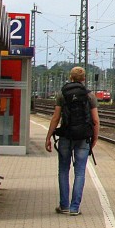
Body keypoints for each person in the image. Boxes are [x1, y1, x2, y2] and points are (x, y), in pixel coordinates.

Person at [45, 67, 99, 216]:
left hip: (66, 136)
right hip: (83, 137)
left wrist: (48, 137)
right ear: (84, 79)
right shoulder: (90, 96)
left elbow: (56, 118)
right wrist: (95, 138)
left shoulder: (62, 94)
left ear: (70, 77)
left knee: (63, 171)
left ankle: (64, 206)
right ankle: (75, 208)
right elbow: (95, 120)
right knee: (80, 172)